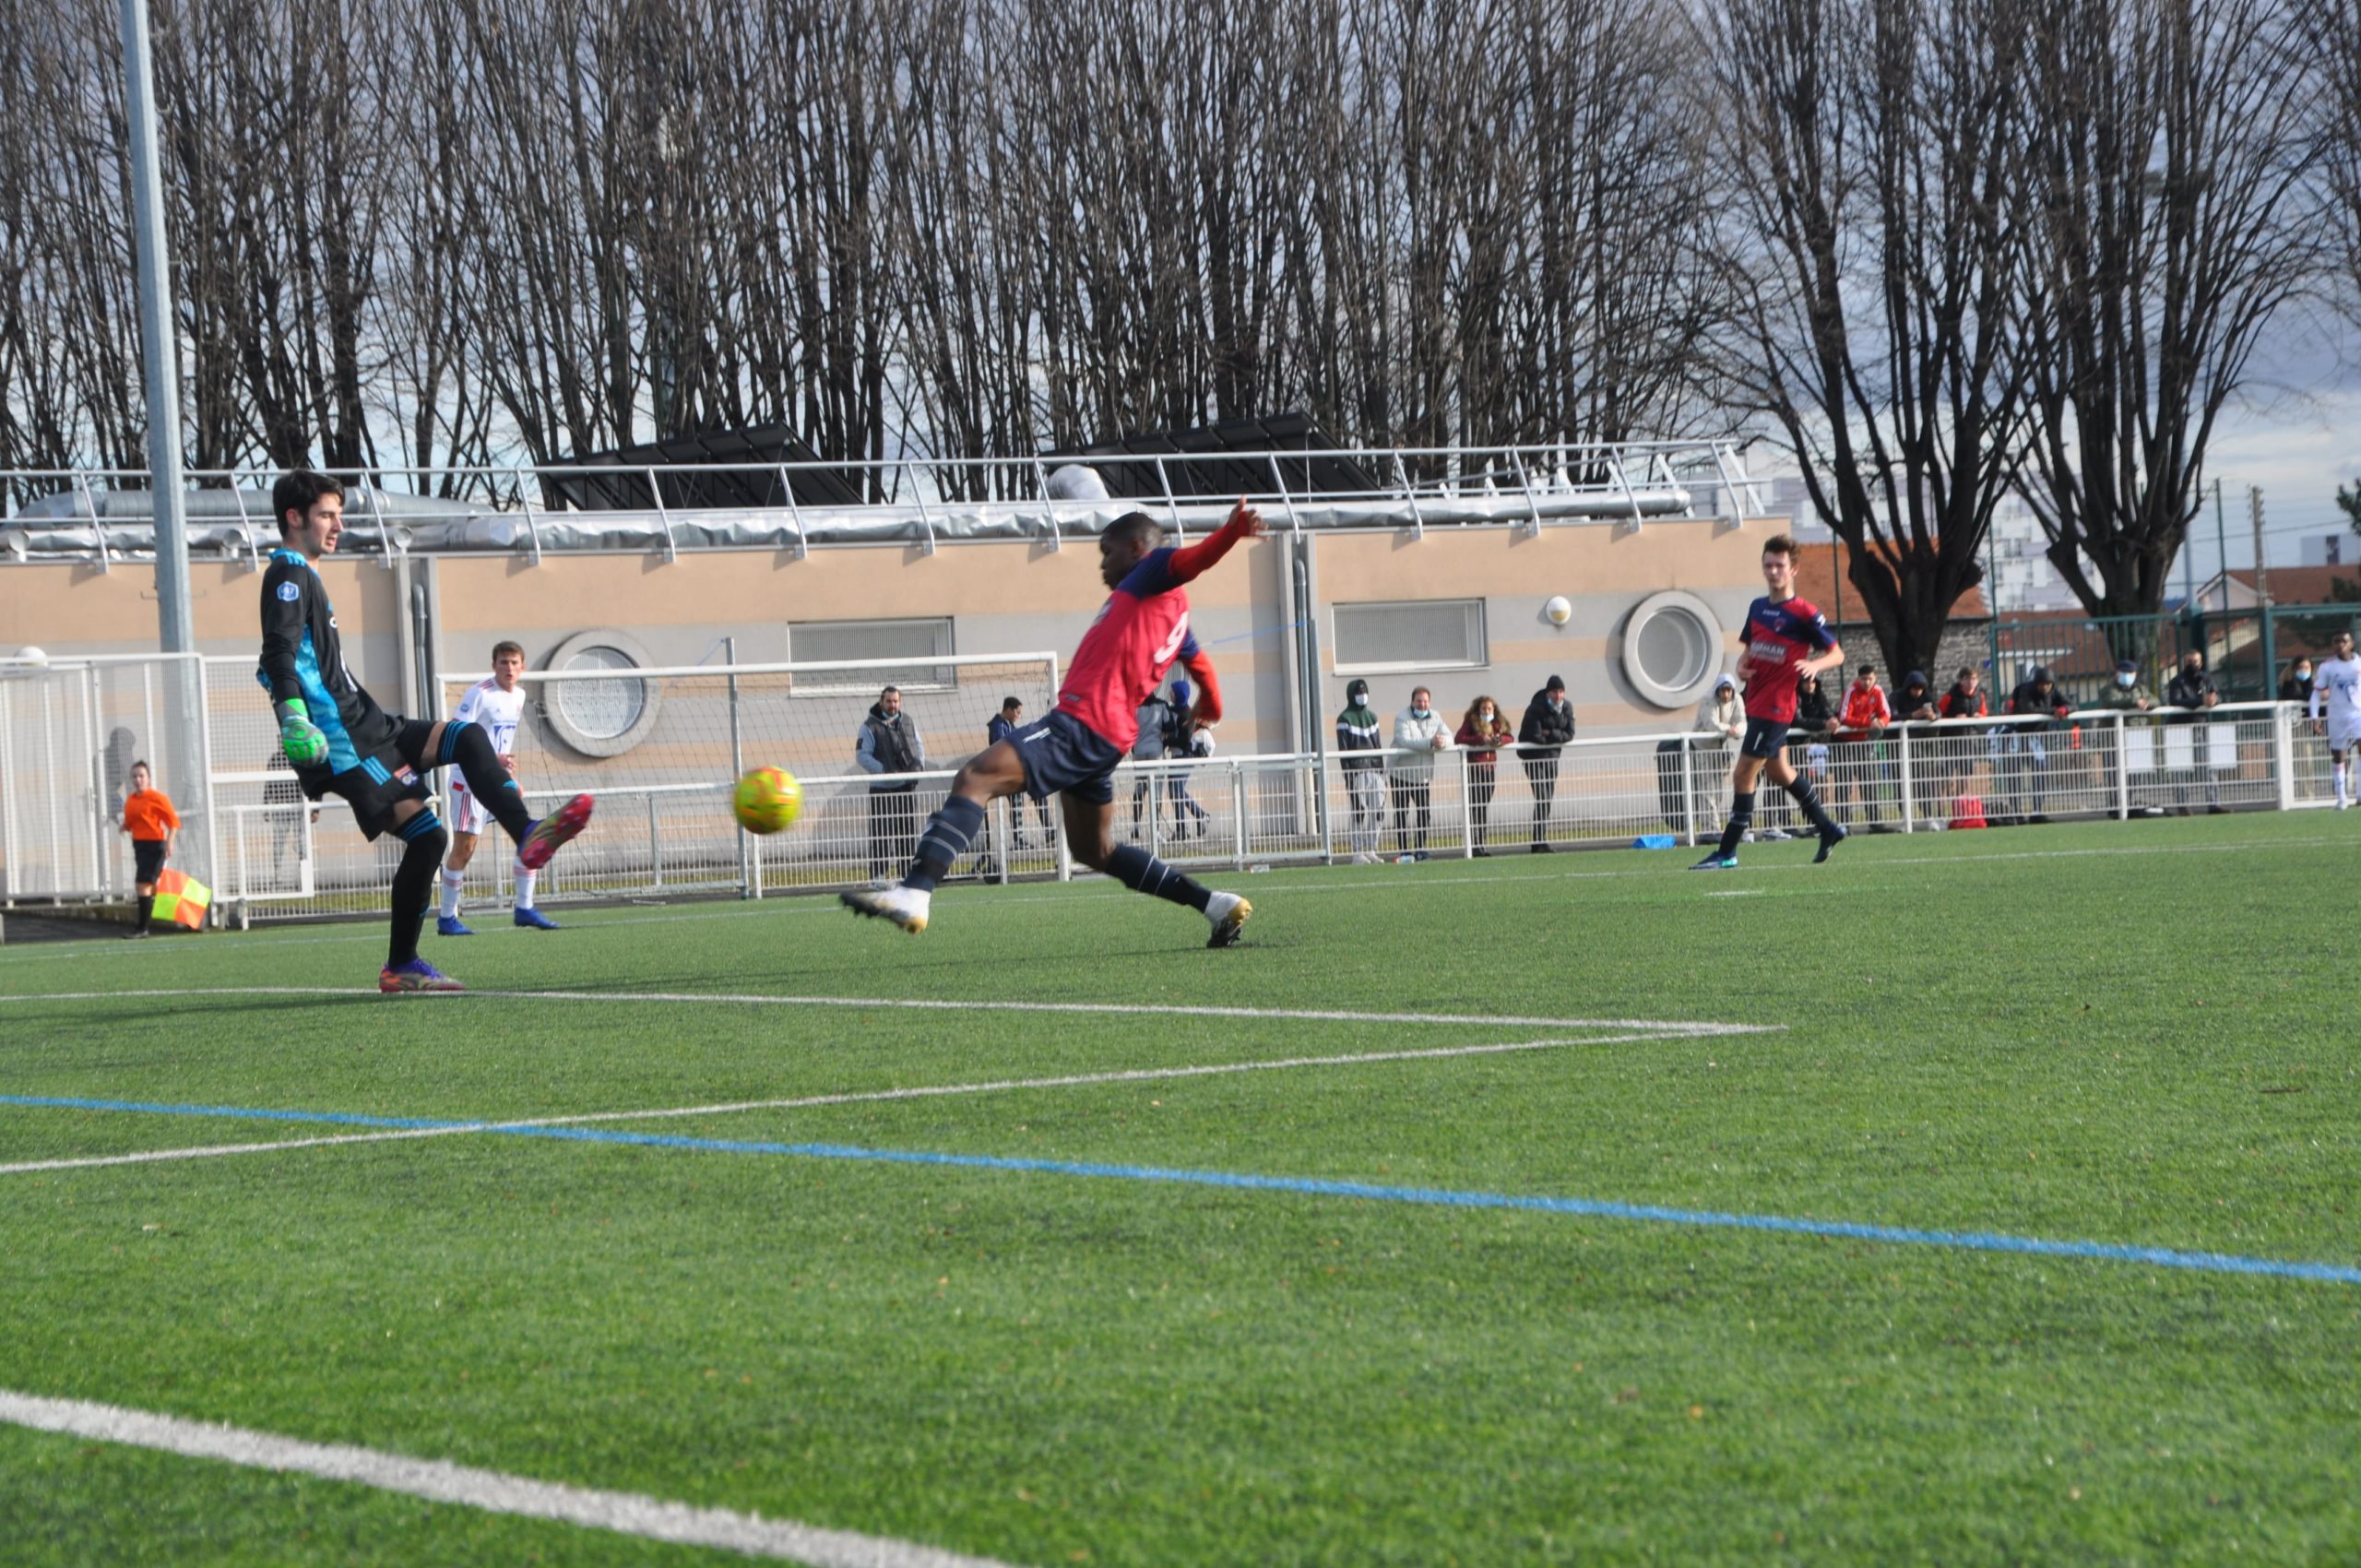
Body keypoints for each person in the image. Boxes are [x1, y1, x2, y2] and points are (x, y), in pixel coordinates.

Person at [840, 499, 1264, 945]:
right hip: (1109, 738)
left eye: (1107, 551)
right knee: (1093, 850)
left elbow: (1190, 561)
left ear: (1137, 549)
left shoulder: (1153, 569)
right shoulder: (1173, 616)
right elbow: (1203, 669)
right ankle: (1214, 904)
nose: (1102, 564)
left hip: (1082, 723)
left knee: (975, 777)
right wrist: (1211, 704)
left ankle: (916, 890)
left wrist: (1230, 533)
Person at [259, 471, 590, 992]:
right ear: (294, 518)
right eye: (326, 515)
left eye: (338, 514)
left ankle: (525, 835)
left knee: (466, 740)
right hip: (343, 739)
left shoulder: (306, 575)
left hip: (371, 724)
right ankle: (403, 962)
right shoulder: (288, 574)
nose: (338, 525)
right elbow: (276, 651)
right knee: (431, 833)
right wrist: (292, 714)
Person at [1690, 533, 1848, 869]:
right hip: (1756, 701)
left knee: (1742, 775)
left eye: (1779, 565)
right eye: (1768, 565)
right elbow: (1748, 653)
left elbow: (1837, 654)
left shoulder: (1804, 612)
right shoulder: (1758, 608)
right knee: (1778, 771)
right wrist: (1741, 666)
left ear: (1794, 570)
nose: (1773, 571)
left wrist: (1814, 664)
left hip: (1777, 708)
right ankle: (1827, 828)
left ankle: (1727, 851)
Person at [437, 641, 557, 934]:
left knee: (526, 832)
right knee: (465, 848)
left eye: (515, 663)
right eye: (504, 662)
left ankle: (525, 908)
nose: (509, 668)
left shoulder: (519, 696)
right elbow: (457, 735)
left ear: (523, 667)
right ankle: (446, 917)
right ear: (494, 666)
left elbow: (501, 741)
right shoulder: (480, 694)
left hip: (495, 777)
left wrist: (508, 775)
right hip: (468, 780)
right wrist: (492, 758)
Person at [856, 684, 927, 878]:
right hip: (882, 790)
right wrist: (885, 771)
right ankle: (878, 876)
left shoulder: (909, 722)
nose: (892, 705)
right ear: (881, 702)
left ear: (900, 702)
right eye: (888, 701)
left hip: (907, 788)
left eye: (895, 701)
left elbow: (919, 746)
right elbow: (862, 756)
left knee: (908, 834)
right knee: (881, 836)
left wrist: (918, 767)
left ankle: (907, 875)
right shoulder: (869, 726)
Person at [2001, 665, 2072, 824]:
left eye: (2048, 684)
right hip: (2017, 736)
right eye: (2042, 684)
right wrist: (2055, 710)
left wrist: (2064, 709)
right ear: (2036, 683)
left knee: (2040, 773)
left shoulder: (2053, 691)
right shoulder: (2026, 690)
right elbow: (2029, 710)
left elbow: (2071, 704)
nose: (2046, 687)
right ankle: (2016, 812)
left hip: (2036, 738)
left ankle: (2037, 810)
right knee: (2014, 775)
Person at [117, 761, 178, 939]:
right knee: (153, 886)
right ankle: (186, 903)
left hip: (154, 845)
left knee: (142, 885)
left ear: (149, 779)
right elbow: (131, 822)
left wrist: (169, 842)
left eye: (141, 776)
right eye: (134, 776)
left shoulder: (157, 798)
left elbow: (173, 822)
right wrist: (124, 827)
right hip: (139, 846)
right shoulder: (130, 801)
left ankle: (142, 928)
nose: (138, 780)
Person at [2091, 657, 2155, 819]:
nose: (2128, 675)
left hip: (2136, 737)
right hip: (2113, 738)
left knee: (2135, 774)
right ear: (2118, 673)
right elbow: (2112, 701)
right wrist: (2135, 701)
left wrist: (2146, 702)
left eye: (2131, 672)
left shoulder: (2141, 688)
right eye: (2125, 672)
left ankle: (2129, 803)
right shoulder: (2108, 689)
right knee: (2113, 773)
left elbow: (2155, 700)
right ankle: (2115, 806)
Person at [1390, 684, 1450, 858]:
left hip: (1422, 776)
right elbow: (1405, 741)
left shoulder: (1436, 716)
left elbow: (1449, 737)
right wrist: (1430, 742)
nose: (1422, 704)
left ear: (1429, 702)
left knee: (1424, 812)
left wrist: (1441, 742)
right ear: (1412, 701)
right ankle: (1404, 851)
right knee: (1402, 813)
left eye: (1425, 701)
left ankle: (1420, 849)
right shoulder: (1402, 717)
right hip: (1401, 773)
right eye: (1419, 701)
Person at [987, 697, 1054, 848]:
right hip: (1007, 772)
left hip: (1019, 769)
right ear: (1009, 710)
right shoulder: (998, 726)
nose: (1019, 715)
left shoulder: (1010, 725)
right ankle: (1018, 840)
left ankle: (1050, 831)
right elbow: (1003, 747)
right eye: (1017, 712)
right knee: (1016, 802)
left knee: (1040, 793)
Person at [1518, 674, 1575, 851]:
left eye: (1560, 692)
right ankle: (1538, 840)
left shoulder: (1567, 707)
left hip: (1552, 757)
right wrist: (1556, 735)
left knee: (1546, 799)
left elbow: (1570, 734)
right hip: (1534, 758)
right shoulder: (1535, 708)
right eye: (1554, 692)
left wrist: (1550, 733)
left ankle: (1540, 840)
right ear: (1548, 692)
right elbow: (1535, 736)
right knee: (1542, 797)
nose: (1558, 696)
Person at [2165, 651, 2225, 815]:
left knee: (2208, 766)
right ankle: (2182, 805)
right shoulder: (2177, 681)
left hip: (2200, 726)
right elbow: (2176, 701)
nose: (2193, 664)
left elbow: (2218, 695)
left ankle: (2214, 804)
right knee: (2180, 770)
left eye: (2196, 661)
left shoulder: (2206, 678)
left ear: (2201, 662)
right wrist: (2201, 701)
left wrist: (2214, 700)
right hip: (2179, 728)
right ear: (2184, 662)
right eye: (2189, 661)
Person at [1831, 665, 1890, 824]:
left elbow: (1886, 714)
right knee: (1844, 783)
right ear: (1858, 679)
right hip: (1844, 743)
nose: (1867, 682)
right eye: (1864, 679)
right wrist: (1868, 723)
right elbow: (1844, 717)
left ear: (1875, 678)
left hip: (1863, 743)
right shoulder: (1851, 691)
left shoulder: (1878, 692)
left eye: (1870, 678)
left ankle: (1875, 821)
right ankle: (1844, 823)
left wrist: (1881, 722)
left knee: (1869, 782)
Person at [2308, 628, 2360, 809]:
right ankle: (2341, 798)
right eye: (2336, 642)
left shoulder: (2359, 663)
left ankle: (2360, 794)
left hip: (2358, 713)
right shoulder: (2327, 667)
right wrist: (2315, 718)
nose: (2340, 645)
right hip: (2337, 715)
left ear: (2351, 643)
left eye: (2343, 641)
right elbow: (2316, 694)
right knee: (2339, 756)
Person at [1455, 695, 1513, 855]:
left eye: (1489, 709)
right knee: (1475, 806)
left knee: (1483, 806)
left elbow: (1510, 737)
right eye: (1484, 708)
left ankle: (1481, 843)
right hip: (1474, 768)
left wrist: (1499, 740)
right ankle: (1474, 844)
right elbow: (1459, 738)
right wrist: (1481, 739)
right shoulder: (1471, 721)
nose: (1486, 711)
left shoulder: (1498, 722)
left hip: (1489, 769)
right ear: (1478, 709)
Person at [1336, 678, 1386, 863]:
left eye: (1364, 693)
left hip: (1375, 770)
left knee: (1378, 810)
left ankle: (1372, 848)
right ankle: (1357, 852)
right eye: (1358, 693)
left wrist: (1382, 772)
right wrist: (1348, 777)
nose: (1362, 696)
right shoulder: (1344, 719)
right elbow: (1344, 750)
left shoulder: (1372, 717)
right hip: (1356, 771)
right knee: (1359, 810)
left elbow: (1378, 745)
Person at [1165, 677, 1213, 839]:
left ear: (1179, 694)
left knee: (1176, 790)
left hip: (1185, 756)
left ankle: (1183, 828)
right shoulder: (1173, 711)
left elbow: (1185, 741)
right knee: (1174, 791)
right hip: (1176, 756)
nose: (1170, 694)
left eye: (1172, 691)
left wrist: (1165, 740)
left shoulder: (1187, 714)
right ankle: (1195, 819)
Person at [1891, 671, 1941, 821]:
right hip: (1897, 745)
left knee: (1922, 780)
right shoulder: (1896, 696)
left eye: (1920, 688)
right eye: (1914, 688)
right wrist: (1912, 715)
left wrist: (1934, 716)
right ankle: (1905, 818)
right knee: (1899, 781)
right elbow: (1892, 715)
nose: (1918, 691)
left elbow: (1939, 712)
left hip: (1918, 745)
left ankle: (1928, 815)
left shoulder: (1927, 696)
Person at [1129, 682, 1179, 836]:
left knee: (1140, 788)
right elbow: (1170, 726)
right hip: (1156, 750)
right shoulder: (1161, 705)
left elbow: (1128, 726)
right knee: (1156, 791)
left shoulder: (1134, 707)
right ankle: (1155, 829)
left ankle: (1136, 826)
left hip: (1139, 750)